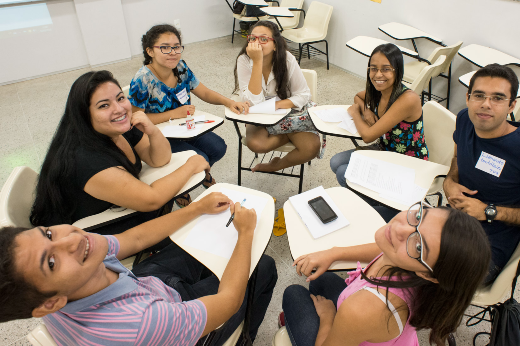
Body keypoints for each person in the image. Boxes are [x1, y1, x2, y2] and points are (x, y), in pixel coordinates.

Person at [0, 192, 277, 345]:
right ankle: (244, 339)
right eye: (51, 262)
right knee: (262, 267)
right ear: (50, 303)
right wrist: (246, 233)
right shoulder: (139, 324)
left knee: (204, 237)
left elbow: (136, 239)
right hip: (159, 312)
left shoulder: (60, 280)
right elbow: (227, 302)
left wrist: (196, 209)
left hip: (145, 287)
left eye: (48, 234)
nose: (72, 239)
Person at [283, 202, 490, 346]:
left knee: (294, 293)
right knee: (325, 279)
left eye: (418, 246)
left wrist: (328, 317)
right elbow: (382, 248)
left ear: (429, 275)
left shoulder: (364, 309)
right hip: (375, 323)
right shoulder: (410, 263)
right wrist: (334, 253)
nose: (400, 228)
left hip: (363, 316)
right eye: (419, 216)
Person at [30, 70, 208, 237]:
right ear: (85, 115)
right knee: (190, 230)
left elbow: (159, 159)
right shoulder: (84, 159)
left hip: (115, 208)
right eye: (104, 105)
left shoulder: (119, 126)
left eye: (120, 98)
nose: (119, 109)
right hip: (88, 232)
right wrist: (191, 166)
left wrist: (152, 131)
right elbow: (151, 200)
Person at [130, 24, 249, 207]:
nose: (173, 52)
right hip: (160, 137)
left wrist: (229, 102)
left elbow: (204, 92)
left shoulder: (181, 67)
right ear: (150, 51)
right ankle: (181, 188)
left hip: (186, 129)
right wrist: (174, 114)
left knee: (218, 147)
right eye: (165, 47)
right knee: (199, 156)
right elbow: (137, 119)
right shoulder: (143, 79)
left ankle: (199, 174)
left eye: (177, 46)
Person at [330, 43, 427, 222]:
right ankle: (377, 201)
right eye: (373, 69)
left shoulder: (407, 99)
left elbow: (368, 136)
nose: (378, 75)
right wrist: (366, 110)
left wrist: (354, 113)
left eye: (386, 69)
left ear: (398, 71)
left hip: (406, 161)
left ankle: (390, 209)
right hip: (385, 150)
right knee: (336, 162)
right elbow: (358, 97)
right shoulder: (379, 90)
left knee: (343, 173)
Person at [443, 63, 520, 285]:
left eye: (497, 98)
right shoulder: (465, 118)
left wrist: (488, 211)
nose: (486, 104)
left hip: (492, 240)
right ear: (468, 98)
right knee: (400, 243)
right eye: (479, 95)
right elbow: (457, 159)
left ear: (511, 105)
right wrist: (450, 181)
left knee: (438, 273)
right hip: (455, 220)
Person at [233, 20, 322, 173]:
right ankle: (289, 132)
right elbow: (253, 104)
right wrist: (257, 62)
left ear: (275, 44)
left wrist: (277, 105)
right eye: (253, 38)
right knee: (256, 145)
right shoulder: (244, 60)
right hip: (259, 115)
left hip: (287, 113)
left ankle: (276, 165)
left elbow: (304, 95)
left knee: (312, 147)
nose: (257, 43)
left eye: (263, 39)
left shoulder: (287, 59)